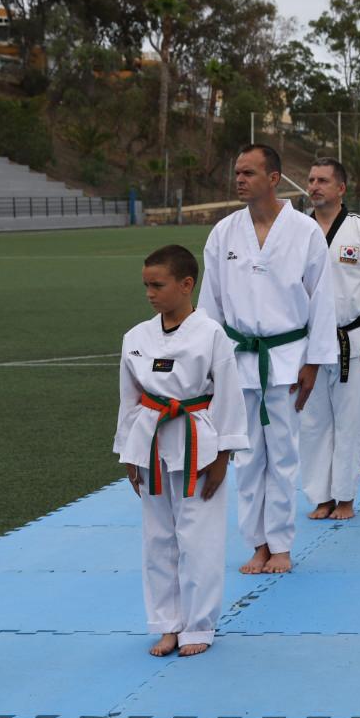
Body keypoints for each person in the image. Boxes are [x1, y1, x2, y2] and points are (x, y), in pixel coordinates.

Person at [199, 144, 338, 576]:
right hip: (239, 360)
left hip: (287, 359)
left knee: (281, 456)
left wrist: (314, 362)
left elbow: (322, 299)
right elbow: (210, 307)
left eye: (249, 173)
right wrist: (210, 366)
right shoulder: (223, 233)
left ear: (273, 178)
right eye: (237, 172)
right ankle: (256, 543)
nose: (239, 180)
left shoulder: (304, 231)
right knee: (247, 457)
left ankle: (280, 544)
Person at [115, 244, 249, 657]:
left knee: (199, 540)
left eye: (158, 285)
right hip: (151, 443)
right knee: (158, 539)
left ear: (187, 284)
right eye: (146, 286)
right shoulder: (136, 337)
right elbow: (129, 400)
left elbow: (229, 396)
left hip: (199, 445)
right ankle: (166, 623)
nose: (150, 293)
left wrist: (223, 457)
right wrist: (128, 454)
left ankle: (198, 626)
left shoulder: (211, 335)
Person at [299, 158, 360, 521]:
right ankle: (320, 496)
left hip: (353, 339)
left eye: (322, 180)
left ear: (341, 188)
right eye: (310, 179)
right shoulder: (296, 231)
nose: (314, 186)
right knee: (311, 423)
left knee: (351, 420)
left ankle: (345, 497)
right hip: (306, 344)